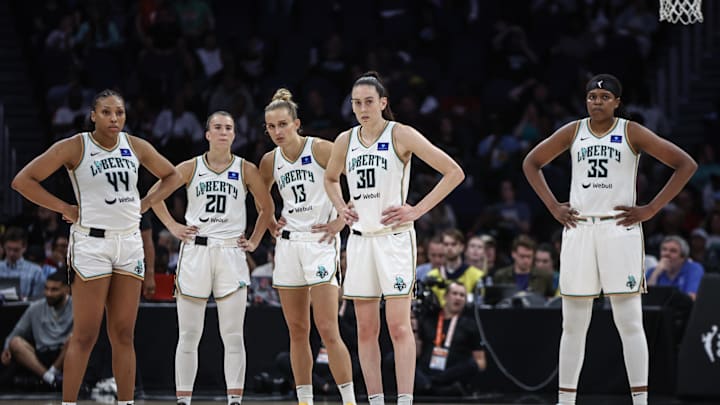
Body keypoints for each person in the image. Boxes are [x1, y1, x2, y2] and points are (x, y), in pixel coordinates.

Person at [522, 74, 697, 405]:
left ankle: (641, 401)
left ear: (617, 102)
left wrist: (651, 209)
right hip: (579, 229)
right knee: (573, 323)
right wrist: (552, 205)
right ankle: (565, 401)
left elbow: (684, 164)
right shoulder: (574, 131)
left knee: (629, 320)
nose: (597, 102)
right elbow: (531, 162)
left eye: (604, 96)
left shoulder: (631, 131)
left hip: (619, 230)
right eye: (592, 96)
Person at [11, 89, 182, 405]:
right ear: (93, 115)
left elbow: (172, 176)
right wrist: (64, 207)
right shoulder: (76, 146)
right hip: (91, 242)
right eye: (106, 112)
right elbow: (23, 181)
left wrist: (145, 203)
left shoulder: (135, 146)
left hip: (129, 241)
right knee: (85, 335)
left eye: (119, 112)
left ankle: (126, 402)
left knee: (123, 335)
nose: (114, 118)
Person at [324, 71, 465, 405]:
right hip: (359, 241)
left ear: (383, 103)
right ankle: (374, 400)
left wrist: (416, 210)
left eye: (369, 101)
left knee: (400, 327)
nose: (362, 108)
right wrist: (341, 207)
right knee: (365, 330)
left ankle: (404, 401)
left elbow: (454, 172)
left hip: (394, 239)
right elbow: (331, 179)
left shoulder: (401, 134)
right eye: (356, 103)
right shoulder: (345, 140)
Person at [151, 110, 273, 405]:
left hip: (231, 251)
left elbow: (267, 207)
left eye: (228, 128)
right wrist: (172, 226)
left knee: (232, 335)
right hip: (197, 250)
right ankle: (183, 400)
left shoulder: (246, 169)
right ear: (207, 134)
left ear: (234, 135)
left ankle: (234, 400)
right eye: (217, 127)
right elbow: (155, 193)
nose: (222, 132)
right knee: (189, 334)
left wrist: (255, 240)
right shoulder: (191, 167)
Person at [259, 88, 356, 405]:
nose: (277, 132)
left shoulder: (320, 149)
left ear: (296, 123)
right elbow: (261, 197)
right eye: (271, 127)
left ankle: (350, 400)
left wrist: (342, 219)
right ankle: (304, 401)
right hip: (288, 246)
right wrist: (270, 219)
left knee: (328, 328)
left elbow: (361, 179)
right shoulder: (270, 160)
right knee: (297, 331)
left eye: (283, 124)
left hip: (320, 242)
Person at [1, 270, 72, 386]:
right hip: (41, 355)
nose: (48, 293)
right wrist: (6, 348)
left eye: (54, 290)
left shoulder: (77, 307)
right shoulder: (35, 307)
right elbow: (15, 333)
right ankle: (50, 378)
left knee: (75, 338)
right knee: (15, 342)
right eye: (46, 288)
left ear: (67, 289)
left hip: (65, 355)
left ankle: (53, 372)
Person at [415, 282, 486, 396]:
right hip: (425, 373)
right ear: (445, 296)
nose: (458, 297)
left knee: (472, 364)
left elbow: (481, 362)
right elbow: (416, 353)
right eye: (454, 293)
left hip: (451, 375)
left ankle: (433, 385)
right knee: (394, 358)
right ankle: (429, 385)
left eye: (462, 295)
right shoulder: (428, 320)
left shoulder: (470, 325)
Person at [425, 229, 485, 307]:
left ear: (462, 247)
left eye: (454, 244)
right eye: (446, 244)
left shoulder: (476, 275)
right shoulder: (432, 276)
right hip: (438, 318)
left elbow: (480, 304)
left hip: (467, 317)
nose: (449, 248)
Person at [646, 235, 705, 300]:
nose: (667, 254)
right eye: (664, 249)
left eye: (673, 251)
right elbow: (645, 298)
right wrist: (655, 274)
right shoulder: (652, 271)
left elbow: (692, 297)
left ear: (683, 257)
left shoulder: (694, 269)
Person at [0, 227, 46, 300]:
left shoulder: (36, 271)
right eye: (9, 249)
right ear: (4, 246)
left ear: (24, 247)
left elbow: (39, 300)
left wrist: (25, 299)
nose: (11, 253)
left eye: (16, 250)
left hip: (26, 309)